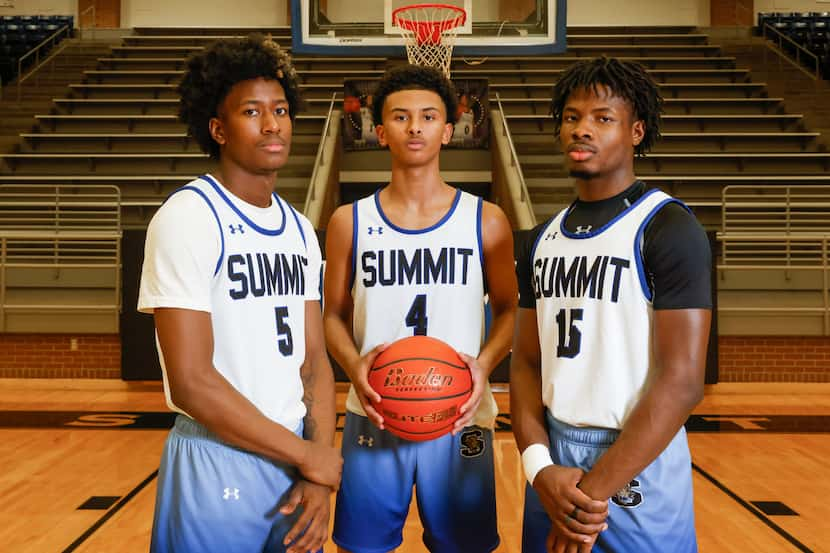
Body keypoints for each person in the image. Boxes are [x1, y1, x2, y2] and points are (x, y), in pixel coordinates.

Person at [138, 35, 341, 553]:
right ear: (218, 128)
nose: (272, 124)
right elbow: (191, 382)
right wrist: (309, 456)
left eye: (280, 110)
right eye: (252, 111)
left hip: (296, 457)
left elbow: (313, 358)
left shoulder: (298, 228)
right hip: (218, 457)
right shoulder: (189, 217)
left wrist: (315, 466)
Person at [511, 56, 712, 553]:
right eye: (572, 117)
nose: (583, 129)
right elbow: (527, 364)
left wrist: (587, 498)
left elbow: (683, 383)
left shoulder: (667, 227)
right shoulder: (541, 240)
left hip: (634, 457)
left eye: (603, 118)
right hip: (554, 460)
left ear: (636, 131)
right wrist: (541, 470)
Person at [323, 64, 518, 553]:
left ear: (448, 131)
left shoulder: (487, 220)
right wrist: (354, 366)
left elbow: (513, 312)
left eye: (429, 117)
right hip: (375, 412)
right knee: (359, 547)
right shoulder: (349, 221)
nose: (415, 127)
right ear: (380, 130)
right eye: (401, 117)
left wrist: (481, 367)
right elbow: (331, 316)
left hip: (461, 417)